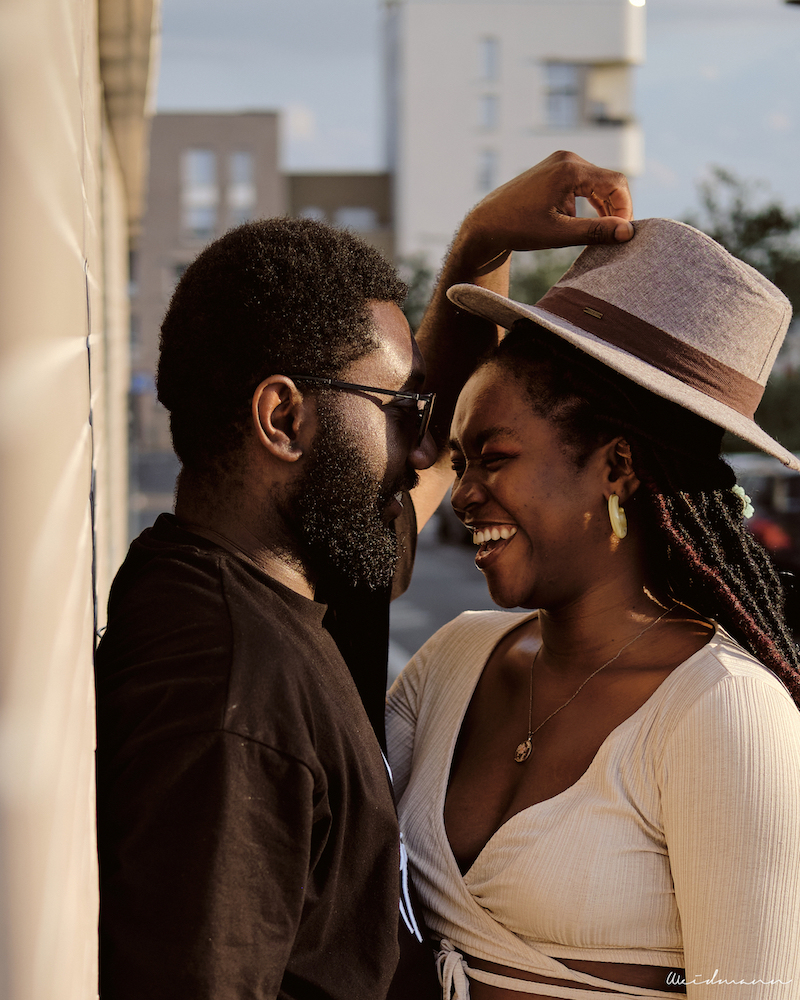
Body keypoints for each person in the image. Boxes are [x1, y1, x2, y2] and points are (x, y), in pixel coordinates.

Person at [94, 152, 636, 999]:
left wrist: (481, 244)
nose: (425, 450)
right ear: (283, 419)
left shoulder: (258, 585)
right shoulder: (230, 697)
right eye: (402, 412)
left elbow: (408, 471)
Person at [386, 218, 800, 1000]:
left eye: (495, 459)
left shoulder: (723, 713)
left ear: (616, 466)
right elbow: (364, 564)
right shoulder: (453, 660)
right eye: (461, 461)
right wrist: (479, 242)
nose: (465, 494)